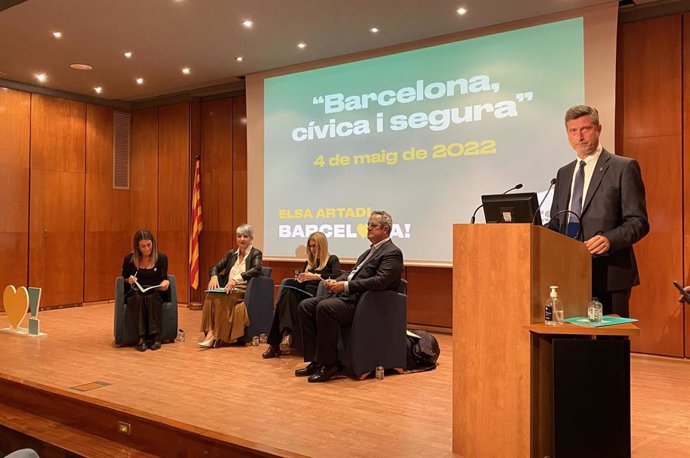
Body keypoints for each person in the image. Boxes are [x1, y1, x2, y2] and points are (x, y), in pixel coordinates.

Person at [548, 105, 649, 317]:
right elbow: (558, 224)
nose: (579, 136)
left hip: (610, 274)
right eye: (573, 131)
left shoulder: (623, 167)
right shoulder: (564, 173)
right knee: (573, 343)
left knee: (610, 346)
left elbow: (638, 222)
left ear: (598, 129)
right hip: (570, 274)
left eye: (585, 129)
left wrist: (609, 240)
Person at [295, 211, 404, 383]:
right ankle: (316, 360)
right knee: (306, 306)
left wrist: (345, 286)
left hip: (364, 304)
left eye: (373, 225)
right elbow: (351, 274)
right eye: (368, 224)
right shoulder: (367, 253)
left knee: (325, 308)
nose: (368, 228)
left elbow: (380, 281)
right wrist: (335, 281)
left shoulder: (392, 253)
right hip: (349, 298)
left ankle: (329, 364)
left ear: (386, 229)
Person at [262, 232, 341, 359]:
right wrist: (300, 279)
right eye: (310, 246)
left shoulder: (332, 260)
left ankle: (275, 344)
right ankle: (286, 335)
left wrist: (315, 277)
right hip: (303, 292)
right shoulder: (308, 262)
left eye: (315, 246)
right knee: (286, 294)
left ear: (322, 246)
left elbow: (338, 275)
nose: (312, 249)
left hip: (316, 295)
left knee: (284, 300)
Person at [199, 224, 263, 347]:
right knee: (210, 295)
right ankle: (211, 333)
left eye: (245, 236)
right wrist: (214, 276)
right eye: (239, 236)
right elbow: (215, 267)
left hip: (243, 289)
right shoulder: (231, 253)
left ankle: (213, 336)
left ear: (251, 238)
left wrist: (236, 279)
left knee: (222, 298)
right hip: (228, 288)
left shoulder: (256, 253)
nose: (242, 239)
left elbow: (257, 269)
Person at [121, 229, 170, 352]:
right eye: (142, 246)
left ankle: (156, 337)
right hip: (136, 291)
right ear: (137, 247)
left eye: (149, 245)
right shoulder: (129, 259)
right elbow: (124, 278)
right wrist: (129, 280)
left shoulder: (162, 258)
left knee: (152, 297)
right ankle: (141, 338)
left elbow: (164, 278)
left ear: (153, 243)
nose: (146, 248)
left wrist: (166, 282)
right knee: (138, 297)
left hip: (155, 291)